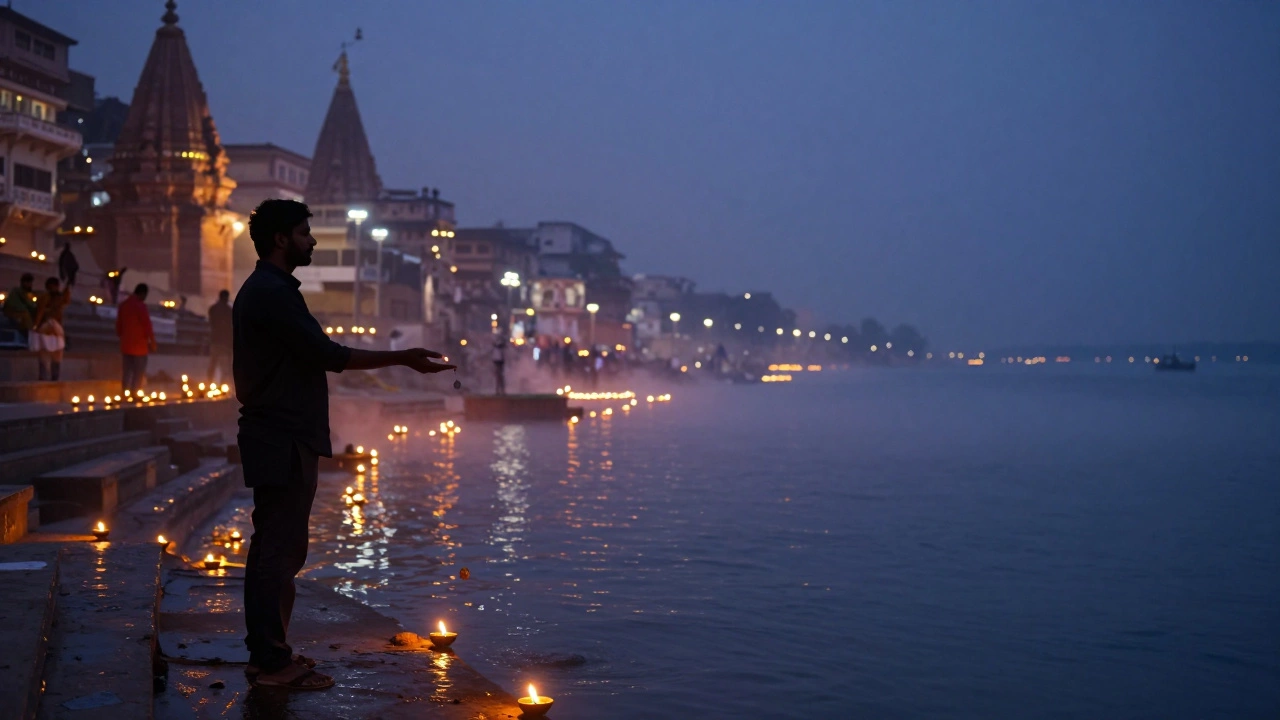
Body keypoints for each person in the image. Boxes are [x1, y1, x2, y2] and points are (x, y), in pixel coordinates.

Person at [235, 199, 454, 691]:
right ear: (281, 239)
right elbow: (328, 355)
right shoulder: (271, 293)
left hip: (282, 432)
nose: (311, 242)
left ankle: (271, 653)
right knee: (277, 549)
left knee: (278, 547)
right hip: (281, 434)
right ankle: (271, 663)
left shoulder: (272, 290)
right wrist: (403, 357)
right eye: (305, 234)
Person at [116, 283, 156, 392]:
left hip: (126, 346)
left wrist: (123, 338)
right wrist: (152, 342)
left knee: (127, 372)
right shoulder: (141, 306)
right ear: (142, 294)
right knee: (138, 372)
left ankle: (125, 393)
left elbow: (119, 326)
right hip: (139, 347)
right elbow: (147, 325)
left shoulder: (123, 305)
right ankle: (135, 393)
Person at [32, 277, 70, 380]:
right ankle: (43, 378)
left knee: (57, 356)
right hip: (45, 329)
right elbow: (40, 312)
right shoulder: (44, 298)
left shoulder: (59, 297)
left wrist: (68, 285)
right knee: (44, 355)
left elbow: (66, 299)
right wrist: (36, 326)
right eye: (53, 286)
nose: (55, 288)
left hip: (56, 330)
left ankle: (54, 378)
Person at [207, 289, 232, 383]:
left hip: (215, 340)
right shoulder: (228, 310)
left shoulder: (213, 308)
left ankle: (209, 383)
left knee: (213, 364)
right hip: (225, 342)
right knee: (226, 366)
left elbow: (212, 323)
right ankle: (223, 385)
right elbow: (230, 326)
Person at [3, 273, 38, 337]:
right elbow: (29, 304)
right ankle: (31, 335)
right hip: (13, 313)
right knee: (26, 315)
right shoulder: (19, 291)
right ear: (24, 282)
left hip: (15, 312)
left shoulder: (21, 291)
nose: (30, 285)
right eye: (29, 283)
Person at [492, 331, 507, 395]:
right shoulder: (498, 348)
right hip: (498, 362)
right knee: (499, 377)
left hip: (498, 361)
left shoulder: (497, 348)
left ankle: (500, 390)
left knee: (499, 377)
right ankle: (500, 390)